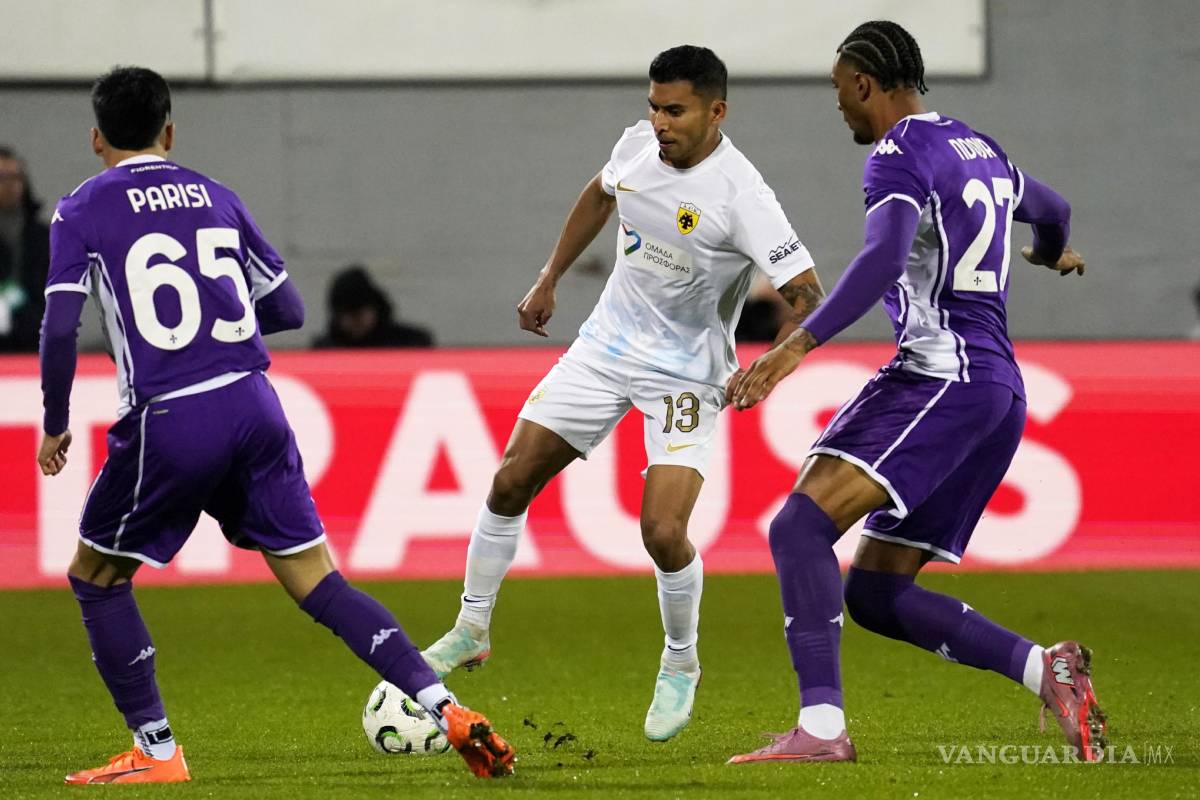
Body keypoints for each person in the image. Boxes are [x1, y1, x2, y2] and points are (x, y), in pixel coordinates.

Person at [38, 66, 512, 784]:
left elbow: (59, 327)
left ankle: (157, 752)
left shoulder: (80, 210)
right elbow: (287, 309)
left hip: (170, 415)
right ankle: (441, 702)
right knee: (319, 582)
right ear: (170, 131)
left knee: (98, 578)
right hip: (255, 404)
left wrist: (53, 421)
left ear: (97, 136)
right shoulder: (218, 197)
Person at [420, 45, 825, 743]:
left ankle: (680, 662)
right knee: (511, 478)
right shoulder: (637, 147)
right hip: (606, 347)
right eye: (653, 106)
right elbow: (601, 192)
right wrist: (550, 276)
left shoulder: (744, 197)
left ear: (716, 111)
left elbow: (812, 297)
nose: (659, 121)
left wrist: (776, 361)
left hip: (687, 372)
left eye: (675, 110)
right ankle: (472, 626)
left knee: (663, 532)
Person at [725, 21, 1103, 765]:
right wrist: (1047, 257)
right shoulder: (979, 147)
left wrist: (796, 343)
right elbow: (1053, 211)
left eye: (841, 93)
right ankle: (1046, 670)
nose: (840, 109)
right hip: (998, 393)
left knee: (798, 528)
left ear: (865, 83)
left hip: (941, 377)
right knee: (873, 593)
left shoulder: (898, 155)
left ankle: (823, 733)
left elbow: (882, 257)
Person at [0, 145, 50, 352]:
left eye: (16, 177)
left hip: (31, 343)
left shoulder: (41, 235)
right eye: (2, 177)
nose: (10, 185)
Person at [311, 264, 434, 348]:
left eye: (360, 312)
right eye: (348, 313)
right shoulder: (325, 351)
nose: (356, 320)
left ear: (376, 309)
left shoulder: (409, 344)